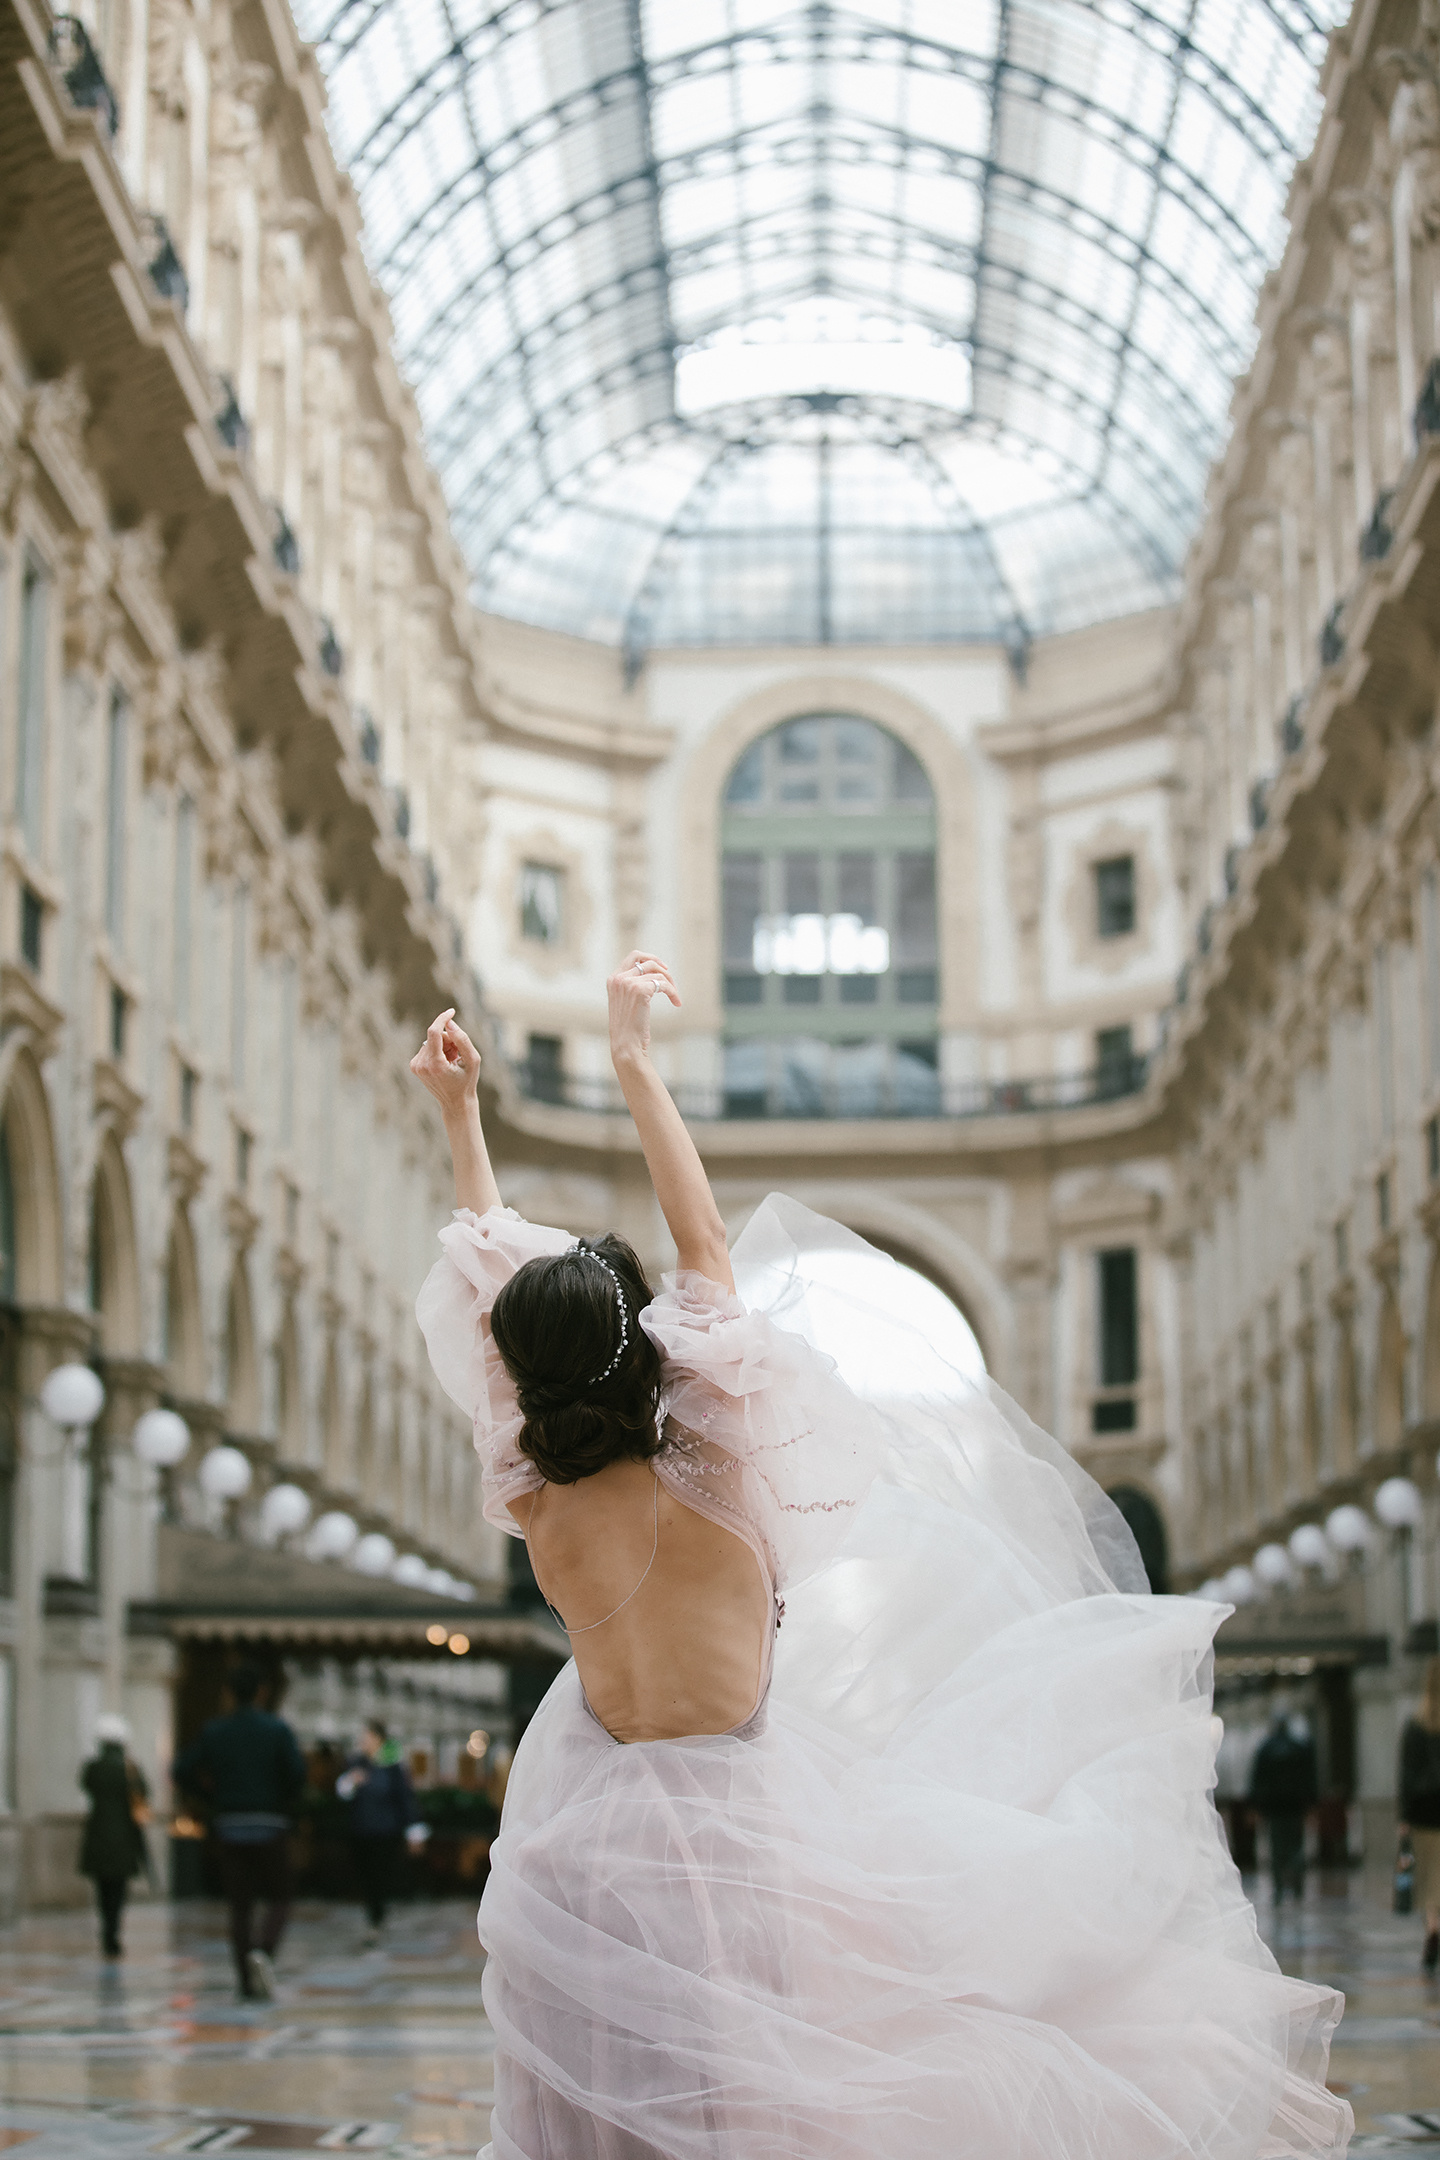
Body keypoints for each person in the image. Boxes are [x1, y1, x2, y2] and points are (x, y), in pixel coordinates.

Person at [412, 957, 1353, 2160]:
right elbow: (697, 1239)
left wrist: (459, 1121)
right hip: (745, 1834)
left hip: (579, 1852)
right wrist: (635, 1061)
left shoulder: (531, 1492)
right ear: (638, 1347)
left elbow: (494, 1299)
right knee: (753, 2096)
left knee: (601, 2117)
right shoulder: (710, 1462)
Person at [173, 1663, 305, 2002]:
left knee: (240, 1906)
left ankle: (245, 1981)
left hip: (230, 1825)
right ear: (261, 1692)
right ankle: (264, 1951)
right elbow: (296, 1775)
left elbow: (182, 1769)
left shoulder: (216, 1731)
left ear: (229, 1693)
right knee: (280, 1895)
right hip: (270, 1823)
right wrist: (280, 1799)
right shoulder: (276, 1730)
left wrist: (211, 1799)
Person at [336, 1718, 425, 1943]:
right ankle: (375, 1915)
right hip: (361, 1830)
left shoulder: (393, 1765)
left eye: (367, 1736)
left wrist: (414, 1830)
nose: (363, 1741)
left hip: (386, 1830)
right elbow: (342, 1791)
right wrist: (352, 1781)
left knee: (380, 1874)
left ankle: (377, 1918)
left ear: (378, 1739)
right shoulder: (356, 1762)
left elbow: (404, 1797)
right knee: (366, 1875)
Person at [78, 1713, 149, 1959]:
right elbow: (142, 1796)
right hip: (124, 1838)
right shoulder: (130, 1769)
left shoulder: (94, 1767)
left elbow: (86, 1784)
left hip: (98, 1834)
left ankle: (106, 1931)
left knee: (102, 1887)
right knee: (119, 1890)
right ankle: (113, 1932)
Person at [1249, 1703, 1320, 1904]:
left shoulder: (1266, 1749)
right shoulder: (1300, 1747)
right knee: (1296, 1846)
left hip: (1274, 1808)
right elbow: (1309, 1778)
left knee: (1276, 1848)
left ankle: (1279, 1888)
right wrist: (1311, 1804)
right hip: (1296, 1806)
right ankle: (1297, 1886)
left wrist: (1256, 1806)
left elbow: (1257, 1779)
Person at [1398, 1655, 1440, 1974]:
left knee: (1428, 1880)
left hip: (1425, 1814)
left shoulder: (1416, 1724)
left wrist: (1404, 1817)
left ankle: (1433, 1927)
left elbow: (1407, 1776)